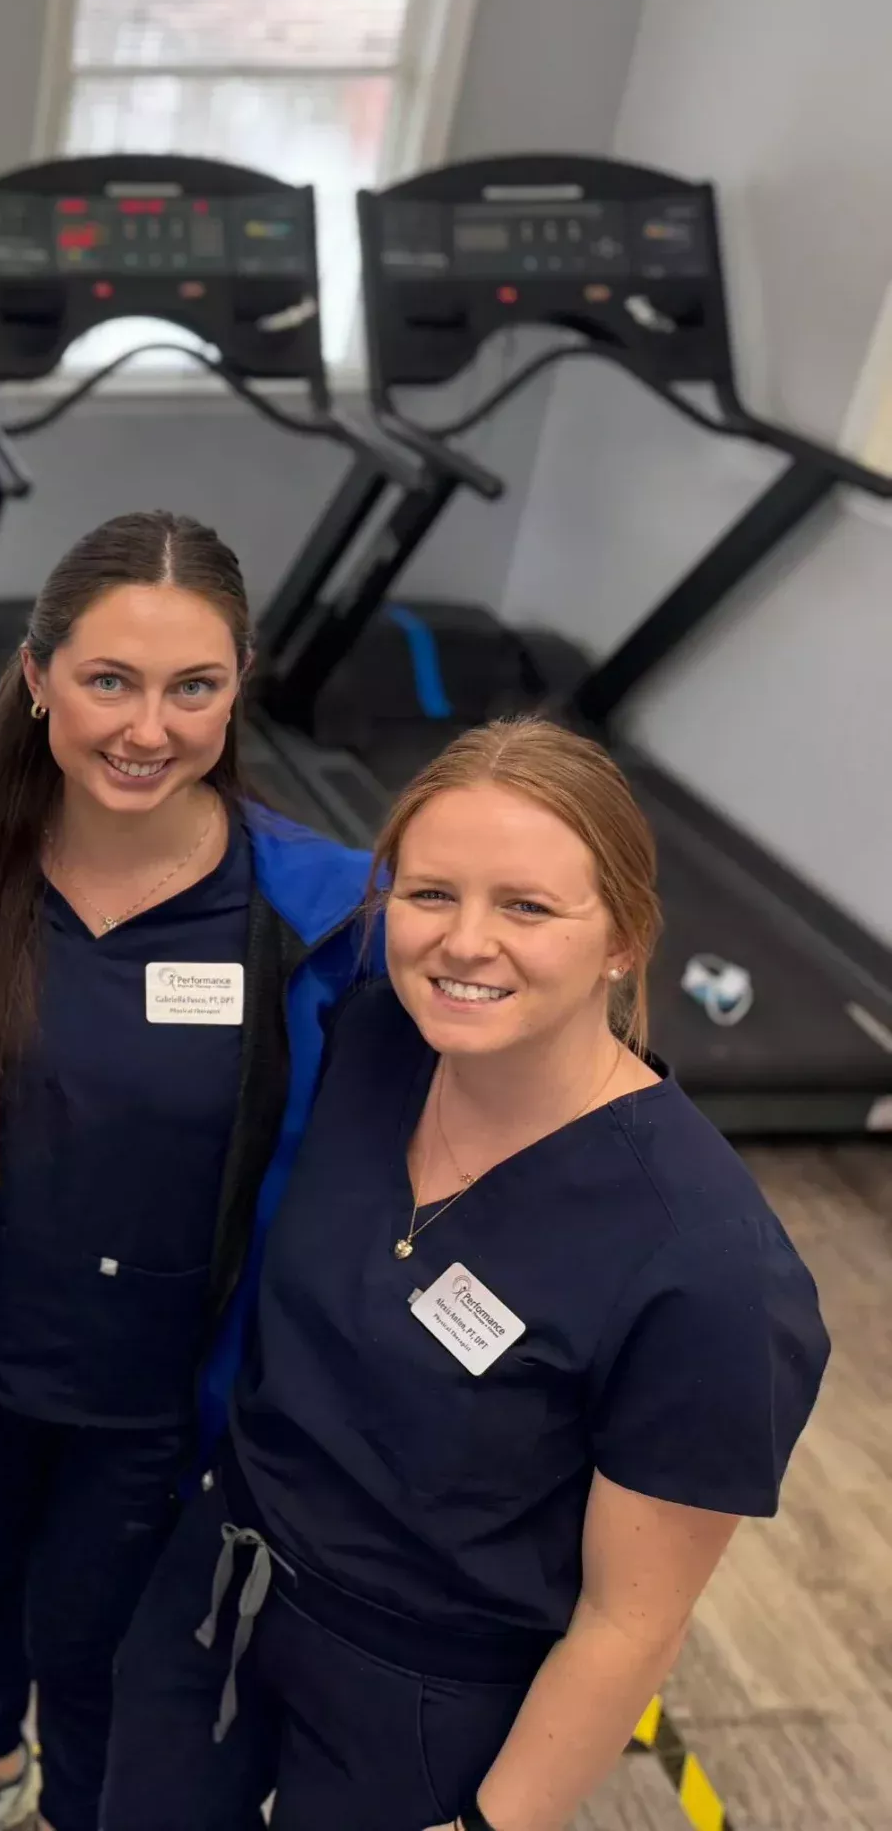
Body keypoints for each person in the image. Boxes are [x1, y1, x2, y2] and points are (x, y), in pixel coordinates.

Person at [98, 717, 830, 1831]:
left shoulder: (707, 1274)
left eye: (526, 907)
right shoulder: (377, 1041)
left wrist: (492, 1823)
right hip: (221, 1588)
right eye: (429, 894)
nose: (463, 943)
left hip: (424, 1695)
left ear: (624, 937)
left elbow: (631, 1621)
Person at [0, 514, 377, 1831]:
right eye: (110, 681)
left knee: (87, 1639)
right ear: (38, 678)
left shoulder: (314, 914)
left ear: (238, 685)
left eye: (192, 686)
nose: (148, 727)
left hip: (158, 1388)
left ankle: (78, 1807)